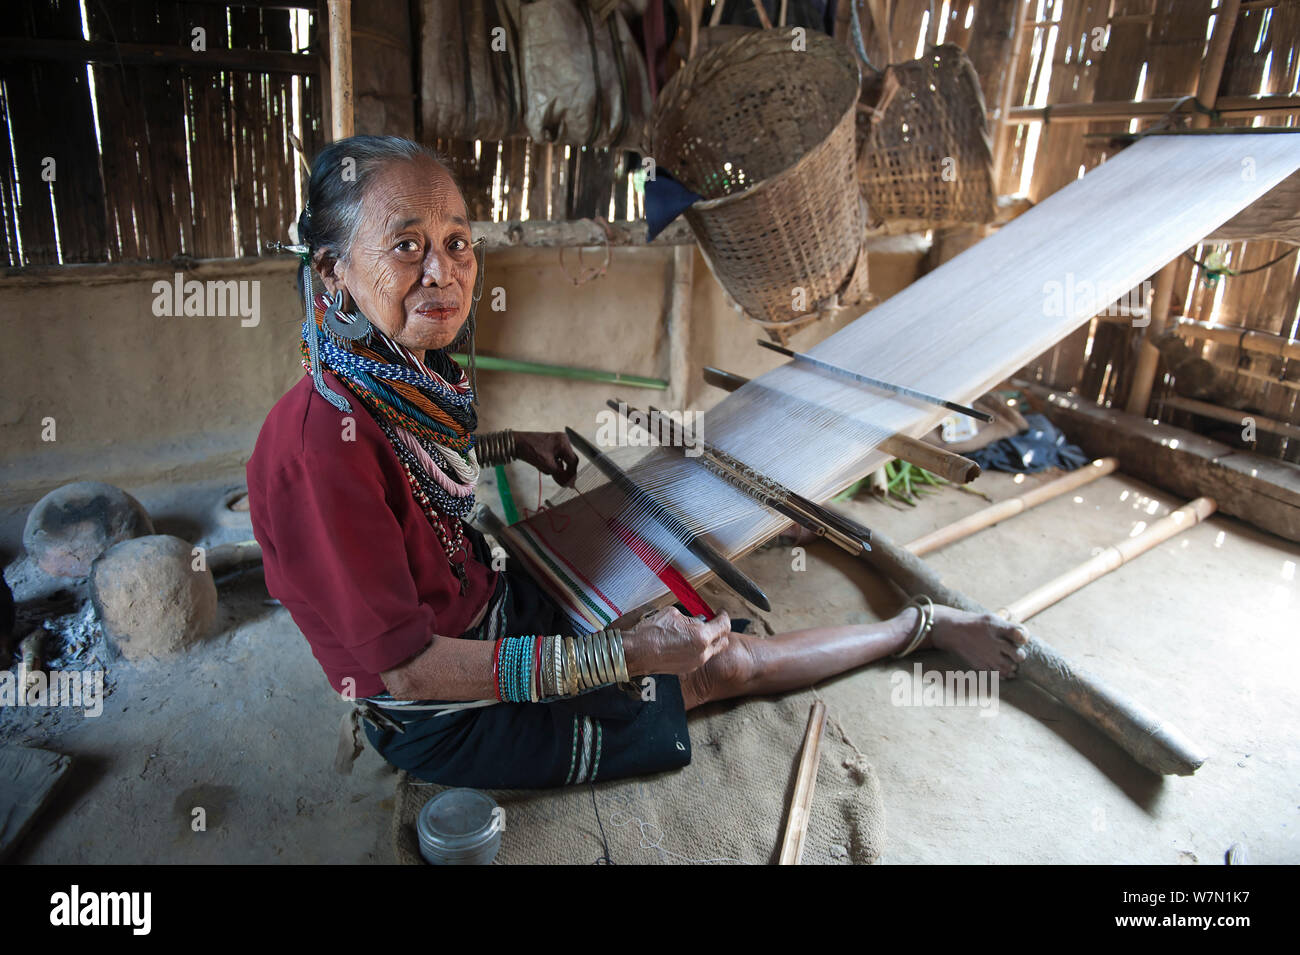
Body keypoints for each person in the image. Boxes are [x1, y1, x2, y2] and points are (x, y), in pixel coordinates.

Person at [247, 135, 1028, 789]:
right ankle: (919, 628)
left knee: (649, 559)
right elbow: (411, 673)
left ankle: (664, 622)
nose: (442, 272)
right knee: (722, 662)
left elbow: (419, 470)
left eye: (457, 242)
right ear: (332, 271)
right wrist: (616, 655)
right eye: (406, 244)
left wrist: (508, 446)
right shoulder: (320, 452)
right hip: (448, 712)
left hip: (490, 604)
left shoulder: (390, 375)